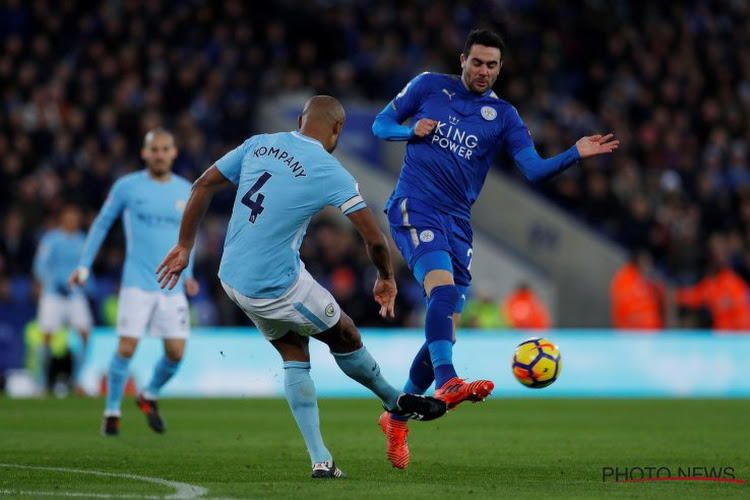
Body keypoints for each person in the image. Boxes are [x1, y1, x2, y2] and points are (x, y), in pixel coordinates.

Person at [156, 95, 447, 479]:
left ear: (299, 120)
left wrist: (184, 245)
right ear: (338, 129)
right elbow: (374, 239)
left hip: (231, 278)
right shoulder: (330, 170)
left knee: (294, 351)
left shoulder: (258, 143)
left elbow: (201, 185)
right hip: (276, 284)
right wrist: (387, 278)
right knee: (344, 333)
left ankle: (321, 460)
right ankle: (394, 401)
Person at [372, 28, 619, 468]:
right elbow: (379, 124)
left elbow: (535, 171)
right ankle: (448, 383)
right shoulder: (429, 85)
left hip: (458, 225)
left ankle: (395, 417)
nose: (483, 71)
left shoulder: (504, 116)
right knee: (442, 295)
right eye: (477, 62)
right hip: (415, 205)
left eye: (492, 65)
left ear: (500, 68)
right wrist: (410, 131)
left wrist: (573, 154)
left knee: (445, 327)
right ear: (462, 58)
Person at [68, 128, 200, 436]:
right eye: (154, 149)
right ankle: (112, 412)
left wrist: (189, 274)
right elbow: (102, 224)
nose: (159, 154)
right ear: (144, 153)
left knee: (177, 353)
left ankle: (149, 393)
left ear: (174, 153)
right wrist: (84, 266)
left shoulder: (186, 190)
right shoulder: (128, 187)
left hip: (172, 285)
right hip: (136, 282)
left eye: (165, 149)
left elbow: (188, 238)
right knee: (127, 347)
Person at [32, 204, 93, 394]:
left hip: (75, 294)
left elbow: (87, 266)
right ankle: (42, 382)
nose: (72, 221)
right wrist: (53, 282)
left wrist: (86, 283)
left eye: (75, 217)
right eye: (69, 217)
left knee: (85, 334)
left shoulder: (84, 241)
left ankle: (76, 380)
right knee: (47, 336)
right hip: (53, 294)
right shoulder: (51, 240)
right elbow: (40, 266)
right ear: (62, 218)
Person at [675, 233, 750, 331]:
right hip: (718, 341)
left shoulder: (736, 282)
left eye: (723, 251)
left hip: (739, 339)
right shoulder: (709, 284)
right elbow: (691, 297)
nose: (720, 255)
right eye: (716, 251)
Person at [610, 249, 665, 330]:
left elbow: (658, 300)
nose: (648, 265)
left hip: (650, 330)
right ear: (638, 261)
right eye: (645, 261)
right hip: (632, 331)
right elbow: (624, 304)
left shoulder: (649, 279)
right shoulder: (625, 278)